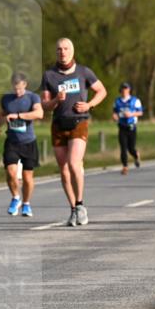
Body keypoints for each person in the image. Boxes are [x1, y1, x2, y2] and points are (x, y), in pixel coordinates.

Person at [40, 37, 107, 226]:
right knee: (63, 170)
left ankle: (80, 204)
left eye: (66, 48)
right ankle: (73, 209)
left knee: (73, 163)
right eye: (59, 49)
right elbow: (44, 105)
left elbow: (102, 91)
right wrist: (55, 101)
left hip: (79, 121)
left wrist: (89, 105)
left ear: (72, 51)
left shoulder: (83, 72)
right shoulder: (49, 75)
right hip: (58, 124)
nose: (63, 52)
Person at [0, 72, 43, 216]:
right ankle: (16, 197)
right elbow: (2, 114)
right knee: (10, 172)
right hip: (12, 142)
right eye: (15, 88)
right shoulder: (7, 99)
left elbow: (39, 114)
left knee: (27, 178)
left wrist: (19, 116)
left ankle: (26, 204)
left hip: (29, 142)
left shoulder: (33, 97)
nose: (17, 91)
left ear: (25, 85)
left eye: (20, 88)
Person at [112, 82, 143, 175]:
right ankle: (125, 166)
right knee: (123, 147)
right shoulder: (117, 101)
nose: (124, 90)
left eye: (126, 88)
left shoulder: (135, 100)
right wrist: (115, 117)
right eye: (123, 89)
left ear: (129, 90)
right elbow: (114, 112)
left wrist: (131, 114)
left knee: (131, 148)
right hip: (122, 126)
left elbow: (140, 112)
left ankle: (136, 155)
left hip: (131, 126)